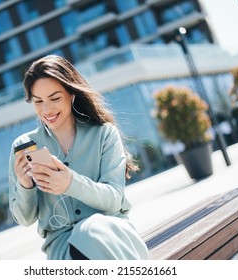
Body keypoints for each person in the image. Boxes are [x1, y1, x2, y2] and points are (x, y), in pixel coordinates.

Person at [8, 55, 149, 260]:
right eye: (38, 101)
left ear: (71, 94)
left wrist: (70, 184)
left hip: (110, 238)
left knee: (91, 231)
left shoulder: (104, 134)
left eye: (55, 98)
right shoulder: (23, 147)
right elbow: (24, 218)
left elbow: (114, 199)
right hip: (65, 251)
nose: (46, 110)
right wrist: (24, 184)